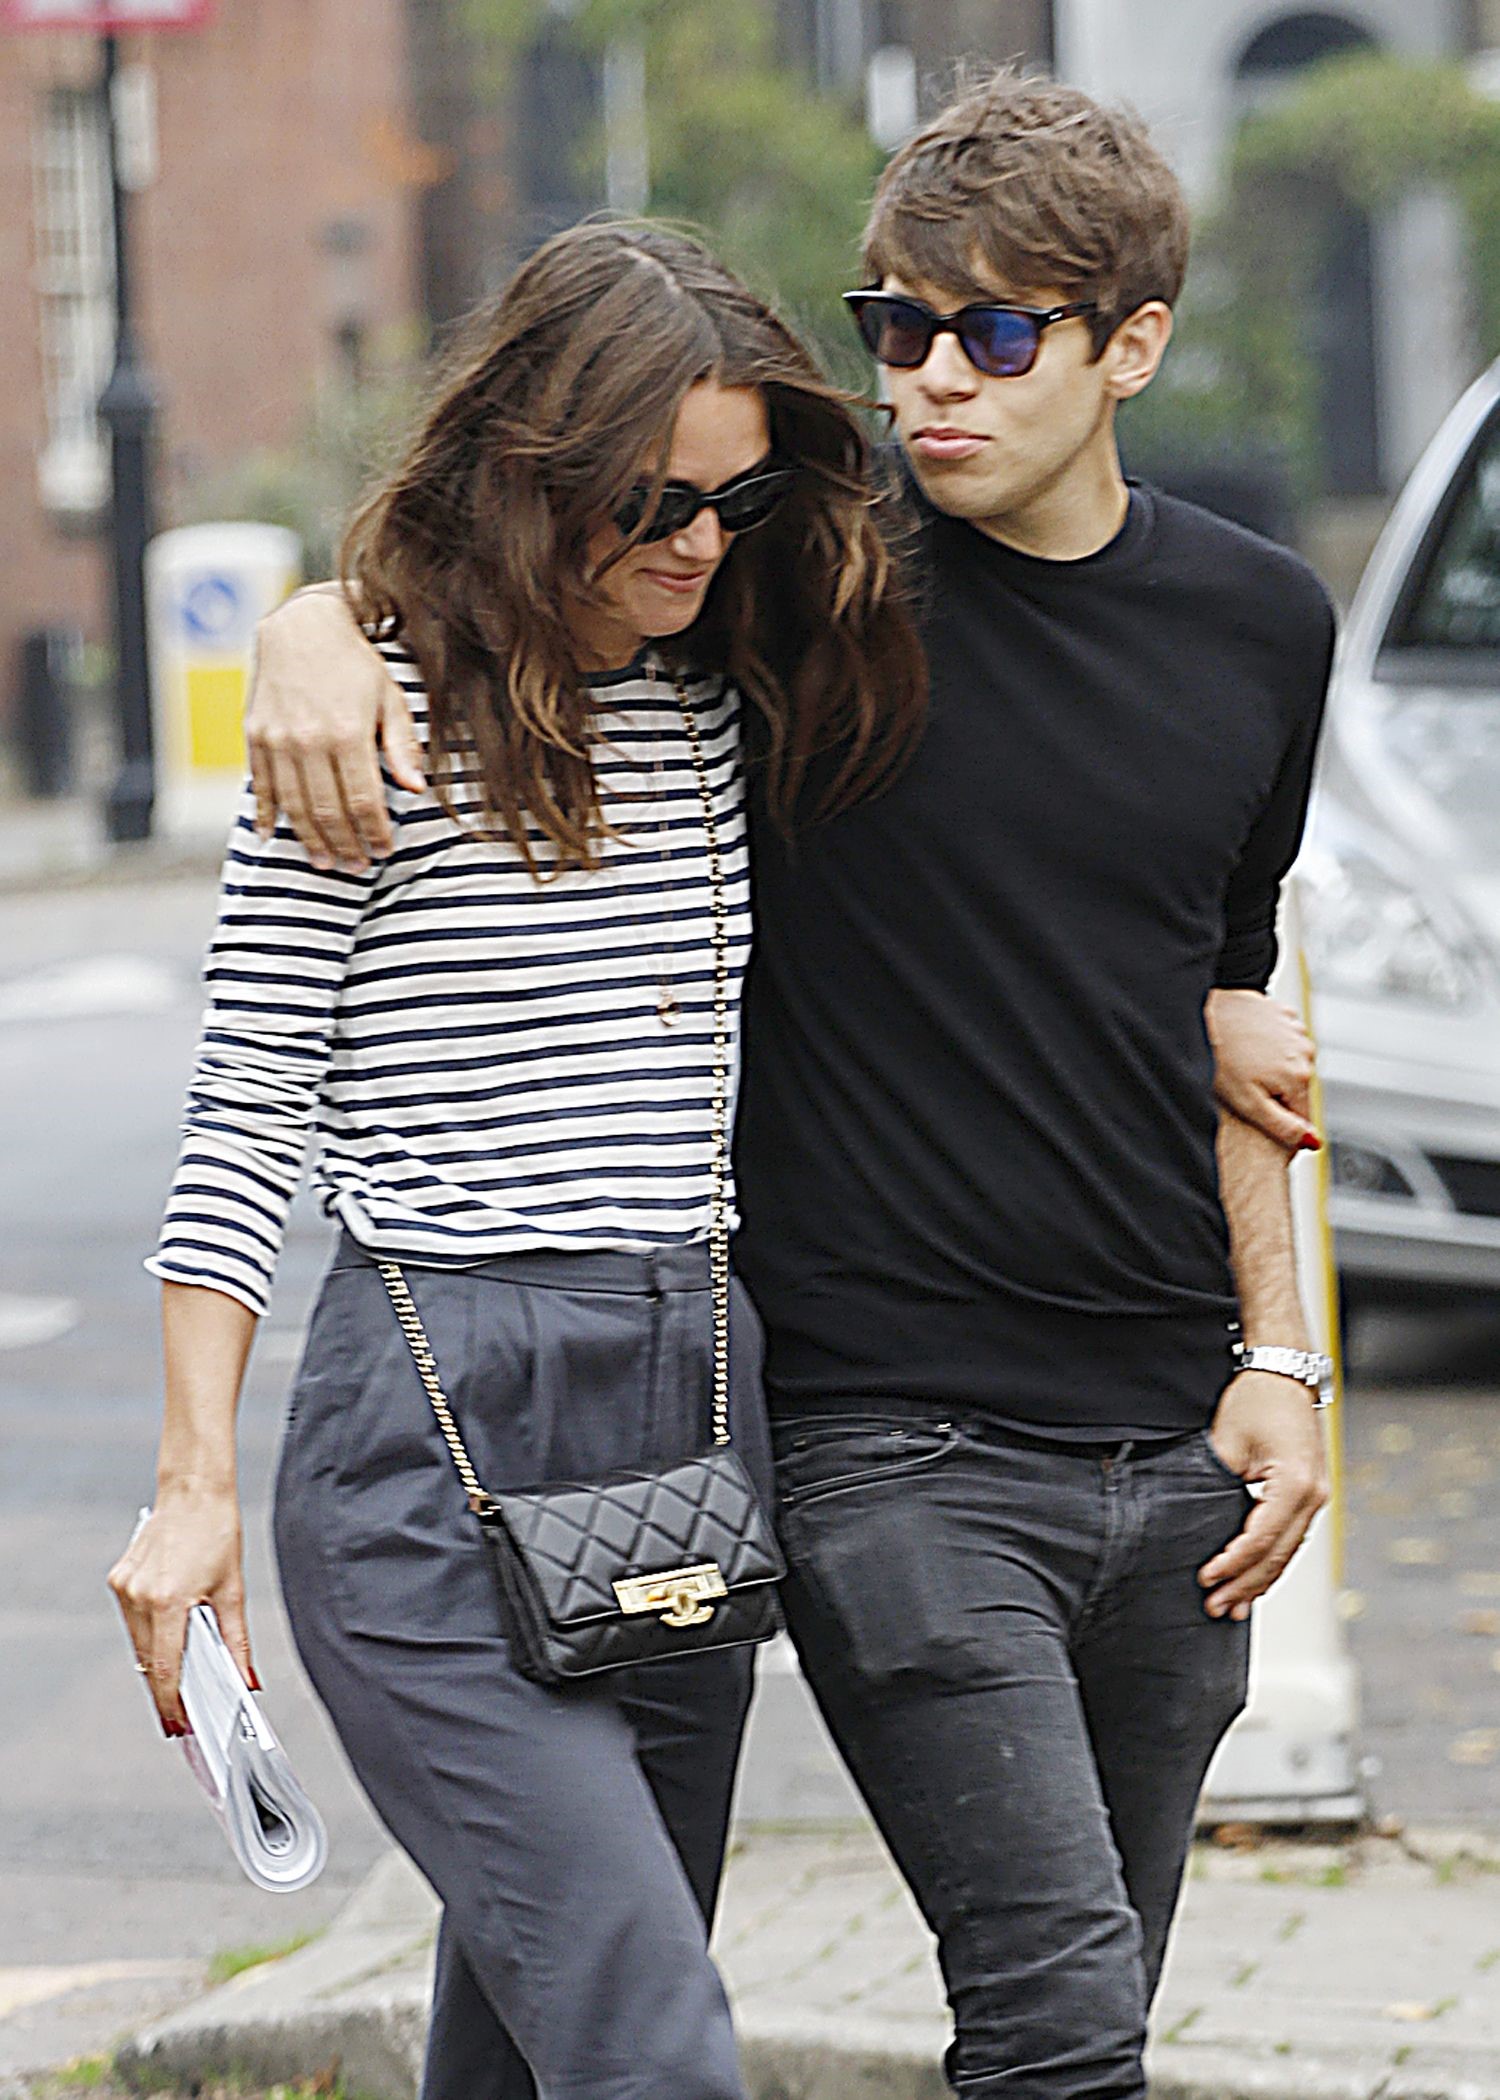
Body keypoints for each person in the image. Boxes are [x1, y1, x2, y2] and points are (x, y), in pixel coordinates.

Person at [236, 76, 1334, 2100]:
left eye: (993, 334)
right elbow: (537, 539)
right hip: (874, 1443)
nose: (930, 377)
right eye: (896, 325)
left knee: (1070, 2008)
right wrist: (320, 624)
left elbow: (1235, 1011)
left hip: (1167, 1447)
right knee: (1062, 2022)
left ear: (1131, 348)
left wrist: (1283, 1350)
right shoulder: (806, 594)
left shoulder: (1267, 626)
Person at [107, 219, 926, 2100]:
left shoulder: (736, 683)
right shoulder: (359, 712)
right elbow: (248, 1110)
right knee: (654, 2041)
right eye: (650, 503)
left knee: (533, 2036)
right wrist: (192, 1484)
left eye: (739, 500)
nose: (699, 544)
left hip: (693, 1424)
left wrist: (1220, 982)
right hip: (432, 1443)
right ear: (535, 468)